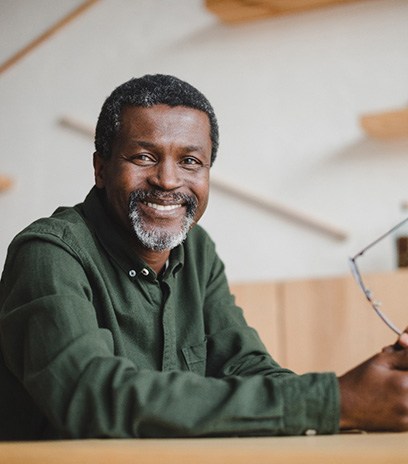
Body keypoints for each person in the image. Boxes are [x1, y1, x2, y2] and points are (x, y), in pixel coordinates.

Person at [1, 74, 408, 441]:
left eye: (191, 161)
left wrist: (372, 390)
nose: (168, 180)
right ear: (101, 169)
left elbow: (248, 368)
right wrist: (334, 402)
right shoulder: (49, 253)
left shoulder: (196, 250)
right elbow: (92, 398)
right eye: (143, 156)